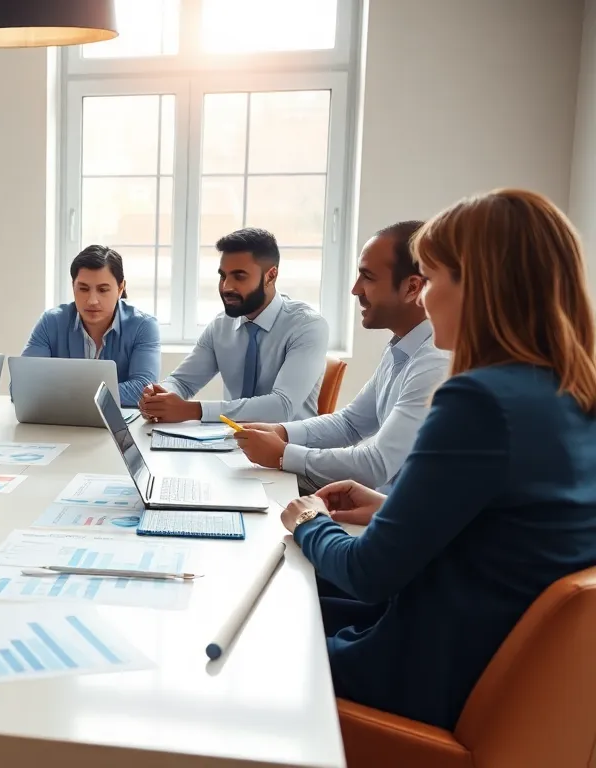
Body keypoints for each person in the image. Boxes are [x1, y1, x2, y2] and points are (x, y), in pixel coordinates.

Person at [280, 189, 596, 731]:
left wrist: (307, 520)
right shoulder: (569, 395)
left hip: (431, 675)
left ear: (477, 285)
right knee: (283, 603)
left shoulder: (479, 400)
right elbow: (510, 531)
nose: (422, 300)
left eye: (430, 279)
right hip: (499, 666)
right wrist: (390, 508)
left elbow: (367, 573)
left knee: (251, 640)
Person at [234, 221, 450, 492]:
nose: (355, 289)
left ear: (412, 288)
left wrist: (283, 454)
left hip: (386, 518)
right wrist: (282, 432)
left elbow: (377, 465)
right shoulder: (402, 347)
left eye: (368, 277)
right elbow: (350, 423)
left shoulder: (434, 363)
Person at [140, 227, 328, 423]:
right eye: (223, 276)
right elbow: (182, 382)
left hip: (289, 448)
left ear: (271, 276)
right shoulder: (221, 326)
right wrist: (159, 397)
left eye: (239, 276)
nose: (226, 287)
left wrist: (194, 410)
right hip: (230, 443)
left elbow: (282, 407)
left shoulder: (307, 326)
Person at [20, 245, 161, 406]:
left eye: (103, 290)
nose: (92, 300)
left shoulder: (143, 326)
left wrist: (67, 394)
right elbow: (22, 387)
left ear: (120, 288)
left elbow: (143, 389)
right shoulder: (50, 322)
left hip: (118, 425)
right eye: (83, 289)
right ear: (73, 286)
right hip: (60, 424)